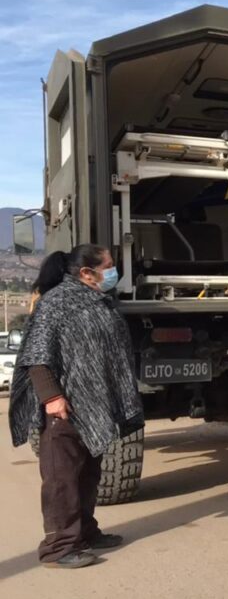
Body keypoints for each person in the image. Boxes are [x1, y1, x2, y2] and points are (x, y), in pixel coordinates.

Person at [8, 244, 143, 569]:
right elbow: (36, 357)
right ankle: (58, 548)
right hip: (64, 408)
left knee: (88, 474)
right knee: (62, 479)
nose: (113, 271)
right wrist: (52, 398)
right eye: (108, 266)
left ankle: (85, 532)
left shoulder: (99, 301)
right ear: (86, 272)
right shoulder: (57, 302)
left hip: (92, 405)